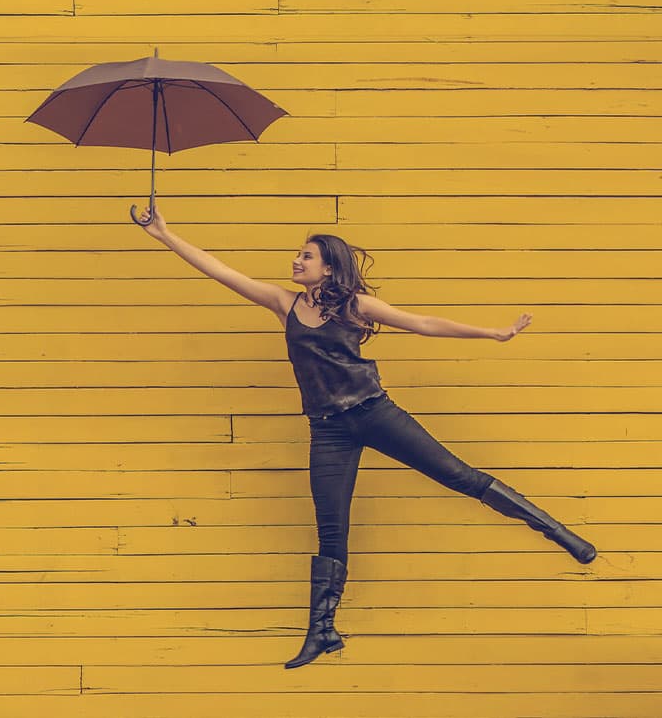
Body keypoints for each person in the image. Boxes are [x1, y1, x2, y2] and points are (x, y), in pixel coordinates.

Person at [130, 203, 597, 669]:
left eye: (306, 256)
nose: (296, 261)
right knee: (331, 530)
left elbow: (423, 323)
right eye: (298, 255)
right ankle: (322, 631)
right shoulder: (283, 303)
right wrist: (164, 235)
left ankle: (558, 532)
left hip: (375, 413)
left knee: (459, 476)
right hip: (328, 430)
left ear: (328, 268)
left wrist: (492, 333)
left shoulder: (356, 306)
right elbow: (221, 271)